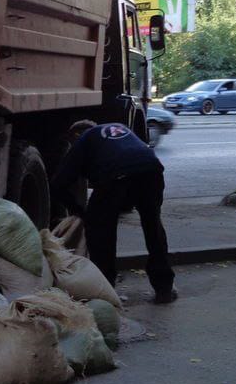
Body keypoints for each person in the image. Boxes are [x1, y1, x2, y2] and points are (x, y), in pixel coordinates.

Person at [50, 120, 177, 304]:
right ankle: (164, 288)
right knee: (153, 226)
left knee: (101, 235)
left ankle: (106, 291)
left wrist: (80, 213)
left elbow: (59, 184)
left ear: (75, 136)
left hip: (115, 175)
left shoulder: (83, 139)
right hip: (151, 169)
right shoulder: (117, 129)